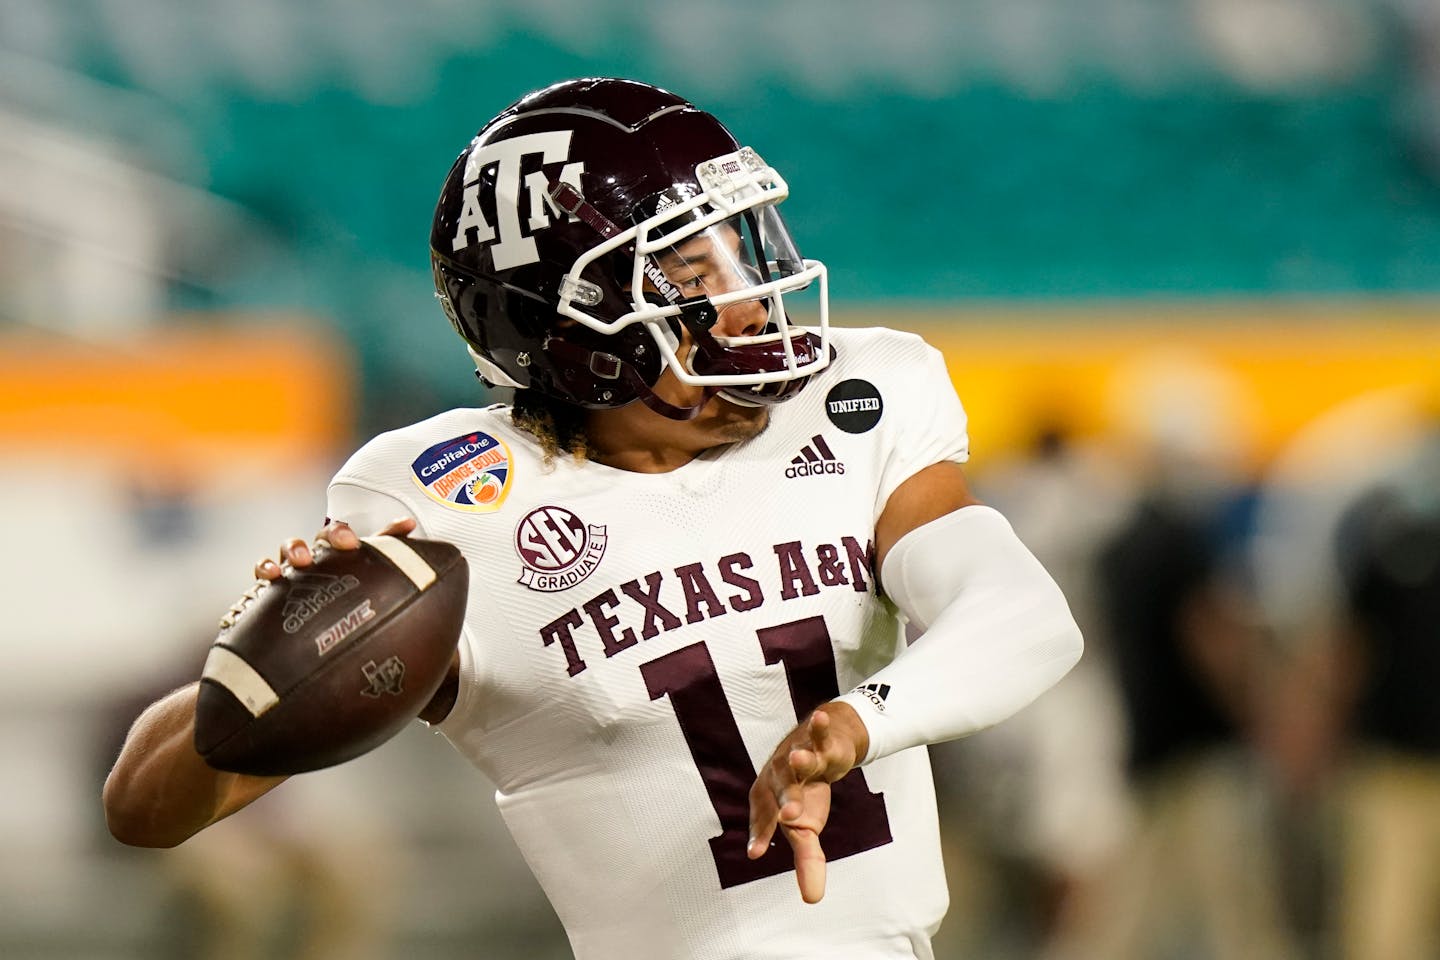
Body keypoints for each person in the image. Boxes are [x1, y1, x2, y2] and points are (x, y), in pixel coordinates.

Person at [103, 77, 1083, 960]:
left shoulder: (863, 395)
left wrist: (853, 725)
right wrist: (269, 662)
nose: (750, 299)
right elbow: (145, 809)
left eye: (741, 248)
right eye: (695, 272)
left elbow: (1024, 618)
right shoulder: (448, 500)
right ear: (575, 326)